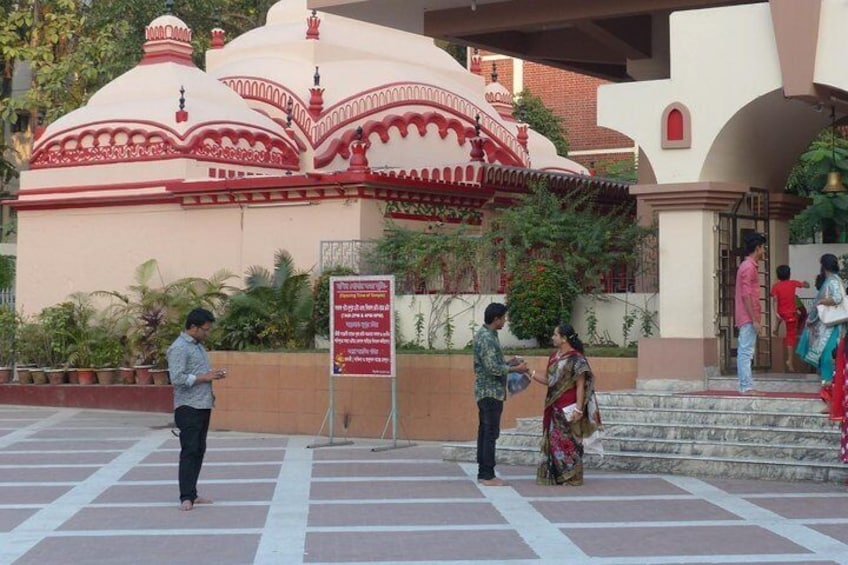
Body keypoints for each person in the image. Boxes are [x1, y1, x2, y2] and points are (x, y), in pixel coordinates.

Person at [168, 308, 227, 511]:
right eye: (205, 330)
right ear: (193, 327)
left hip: (203, 404)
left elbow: (197, 373)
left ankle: (192, 493)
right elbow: (176, 378)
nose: (207, 333)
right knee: (190, 450)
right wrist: (205, 377)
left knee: (199, 449)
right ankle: (185, 496)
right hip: (188, 406)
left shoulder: (198, 346)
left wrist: (211, 375)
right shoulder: (179, 347)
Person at [530, 323, 599, 486]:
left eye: (555, 335)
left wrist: (579, 408)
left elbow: (581, 385)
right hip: (553, 407)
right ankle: (557, 475)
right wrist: (530, 373)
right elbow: (550, 381)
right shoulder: (553, 357)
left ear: (564, 338)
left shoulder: (577, 359)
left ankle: (573, 477)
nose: (552, 337)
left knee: (571, 443)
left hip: (569, 408)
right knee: (555, 442)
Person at [473, 302, 527, 487]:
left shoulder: (490, 335)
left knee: (485, 432)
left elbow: (495, 362)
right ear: (496, 319)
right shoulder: (486, 338)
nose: (505, 320)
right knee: (490, 433)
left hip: (491, 391)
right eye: (503, 317)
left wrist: (510, 363)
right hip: (489, 392)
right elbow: (492, 367)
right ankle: (487, 474)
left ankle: (484, 471)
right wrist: (517, 369)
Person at [797, 253, 846, 409]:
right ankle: (830, 401)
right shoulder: (834, 280)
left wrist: (821, 301)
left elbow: (837, 298)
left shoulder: (832, 281)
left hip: (830, 328)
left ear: (823, 266)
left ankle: (831, 402)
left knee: (827, 361)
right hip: (830, 328)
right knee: (827, 361)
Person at [734, 232, 766, 394]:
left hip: (748, 315)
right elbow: (746, 294)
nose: (763, 251)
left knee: (746, 350)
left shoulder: (748, 266)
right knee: (746, 351)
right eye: (762, 248)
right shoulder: (748, 267)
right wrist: (754, 319)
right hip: (748, 316)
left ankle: (746, 385)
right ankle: (746, 386)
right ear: (757, 248)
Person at [770, 264, 809, 372]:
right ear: (789, 274)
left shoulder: (775, 286)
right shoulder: (793, 283)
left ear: (778, 275)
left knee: (779, 318)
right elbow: (806, 286)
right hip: (791, 313)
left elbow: (775, 300)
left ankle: (776, 327)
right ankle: (789, 360)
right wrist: (806, 283)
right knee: (790, 337)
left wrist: (775, 312)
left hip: (781, 313)